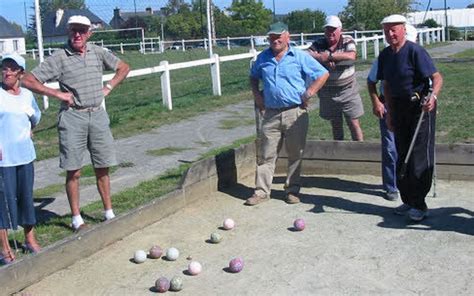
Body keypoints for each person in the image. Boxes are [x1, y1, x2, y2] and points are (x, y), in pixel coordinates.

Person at [22, 15, 130, 231]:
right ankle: (76, 217)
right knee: (74, 170)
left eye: (82, 30)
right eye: (74, 30)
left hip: (97, 115)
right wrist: (55, 93)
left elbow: (124, 68)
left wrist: (108, 87)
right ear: (69, 32)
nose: (78, 35)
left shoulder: (97, 52)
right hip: (73, 118)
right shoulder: (60, 57)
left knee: (103, 166)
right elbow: (27, 79)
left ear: (89, 33)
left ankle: (109, 212)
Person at [245, 22, 329, 206]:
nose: (275, 40)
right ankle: (261, 192)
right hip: (270, 114)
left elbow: (322, 74)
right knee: (266, 154)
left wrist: (309, 93)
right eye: (272, 37)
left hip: (295, 112)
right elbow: (253, 76)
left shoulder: (299, 56)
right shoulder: (263, 58)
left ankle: (292, 190)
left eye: (278, 36)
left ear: (287, 37)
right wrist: (257, 95)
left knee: (295, 153)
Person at [377, 14, 443, 221]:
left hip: (420, 108)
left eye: (394, 29)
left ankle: (420, 204)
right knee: (401, 153)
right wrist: (388, 113)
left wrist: (433, 96)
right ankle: (408, 199)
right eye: (387, 30)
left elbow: (437, 78)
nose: (390, 34)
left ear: (404, 29)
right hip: (398, 108)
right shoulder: (386, 55)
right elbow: (386, 85)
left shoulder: (416, 51)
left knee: (418, 157)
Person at [367, 24, 419, 201]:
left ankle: (412, 185)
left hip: (413, 107)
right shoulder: (385, 56)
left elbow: (431, 81)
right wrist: (376, 103)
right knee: (390, 148)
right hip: (389, 104)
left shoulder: (417, 55)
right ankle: (392, 185)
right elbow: (371, 81)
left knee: (412, 147)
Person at [0, 53, 42, 264]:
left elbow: (35, 117)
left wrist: (30, 128)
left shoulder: (26, 95)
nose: (7, 72)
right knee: (4, 202)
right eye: (4, 67)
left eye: (12, 68)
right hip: (4, 159)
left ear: (20, 73)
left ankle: (29, 238)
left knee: (26, 198)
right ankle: (5, 248)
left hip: (25, 155)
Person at [307, 15, 364, 141]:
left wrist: (330, 56)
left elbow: (351, 56)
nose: (330, 32)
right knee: (336, 124)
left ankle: (360, 152)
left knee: (353, 123)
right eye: (328, 29)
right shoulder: (319, 43)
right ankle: (339, 153)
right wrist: (322, 58)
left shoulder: (347, 40)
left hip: (348, 90)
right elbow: (307, 55)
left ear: (340, 30)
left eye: (333, 29)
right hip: (327, 92)